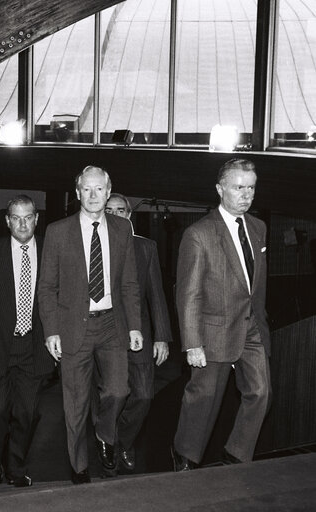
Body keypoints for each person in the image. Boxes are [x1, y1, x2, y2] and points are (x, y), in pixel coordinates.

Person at [38, 166, 142, 484]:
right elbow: (47, 287)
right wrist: (51, 330)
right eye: (87, 189)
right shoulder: (58, 231)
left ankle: (104, 434)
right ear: (78, 192)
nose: (94, 195)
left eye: (99, 189)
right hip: (72, 326)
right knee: (76, 402)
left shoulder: (122, 230)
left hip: (112, 323)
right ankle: (79, 467)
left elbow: (129, 283)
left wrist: (135, 326)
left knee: (119, 390)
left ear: (108, 192)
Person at [171, 159, 271, 470]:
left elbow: (254, 285)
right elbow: (188, 293)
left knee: (261, 392)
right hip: (213, 329)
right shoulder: (199, 234)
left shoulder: (258, 228)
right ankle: (184, 453)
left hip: (252, 327)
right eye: (238, 187)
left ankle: (236, 454)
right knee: (203, 399)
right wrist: (192, 342)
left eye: (251, 187)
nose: (246, 195)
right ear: (220, 189)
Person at [0, 194, 55, 487]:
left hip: (34, 346)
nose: (23, 224)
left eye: (28, 217)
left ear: (36, 219)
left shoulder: (51, 249)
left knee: (28, 413)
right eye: (16, 218)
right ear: (7, 221)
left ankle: (16, 467)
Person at [104, 193, 172, 470]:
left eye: (120, 210)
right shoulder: (93, 246)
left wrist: (162, 337)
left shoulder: (146, 248)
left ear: (129, 214)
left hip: (139, 335)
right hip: (105, 335)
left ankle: (122, 440)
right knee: (110, 395)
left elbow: (156, 293)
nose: (114, 215)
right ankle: (108, 444)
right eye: (109, 210)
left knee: (144, 395)